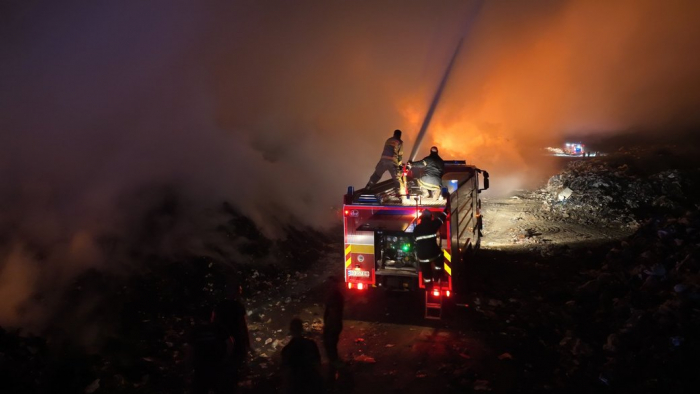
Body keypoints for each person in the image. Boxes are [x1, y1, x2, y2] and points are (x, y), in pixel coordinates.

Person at [212, 282, 250, 393]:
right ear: (235, 292)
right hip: (236, 341)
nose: (240, 294)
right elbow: (243, 325)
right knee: (234, 369)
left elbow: (213, 322)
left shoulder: (219, 305)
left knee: (223, 368)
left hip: (221, 341)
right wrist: (246, 343)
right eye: (239, 291)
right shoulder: (238, 306)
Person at [281, 318, 324, 394]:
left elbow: (286, 372)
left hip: (295, 386)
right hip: (311, 383)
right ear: (302, 329)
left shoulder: (287, 349)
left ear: (291, 330)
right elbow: (317, 364)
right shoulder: (310, 344)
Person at [191, 310, 228, 394]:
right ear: (212, 316)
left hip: (200, 365)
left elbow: (190, 348)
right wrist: (226, 356)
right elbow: (230, 342)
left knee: (201, 388)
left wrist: (188, 363)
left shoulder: (195, 330)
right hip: (215, 363)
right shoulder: (218, 328)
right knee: (217, 387)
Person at [413, 206, 448, 289]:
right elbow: (440, 220)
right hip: (433, 253)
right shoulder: (432, 225)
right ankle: (437, 276)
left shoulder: (416, 228)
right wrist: (446, 211)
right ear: (430, 217)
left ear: (422, 218)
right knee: (440, 257)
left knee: (426, 273)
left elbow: (415, 240)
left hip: (422, 256)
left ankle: (428, 287)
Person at [366, 129, 404, 195]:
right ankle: (398, 192)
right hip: (392, 161)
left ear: (394, 134)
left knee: (377, 174)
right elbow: (400, 155)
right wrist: (400, 166)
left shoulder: (388, 140)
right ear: (399, 135)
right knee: (397, 177)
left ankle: (368, 187)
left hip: (383, 160)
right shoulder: (400, 142)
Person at [323, 276, 344, 387]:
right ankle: (334, 365)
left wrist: (329, 326)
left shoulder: (335, 297)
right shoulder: (335, 295)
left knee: (330, 346)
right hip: (332, 325)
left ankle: (334, 368)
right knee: (330, 346)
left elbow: (333, 313)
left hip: (333, 326)